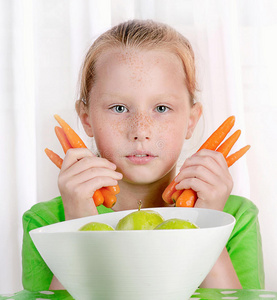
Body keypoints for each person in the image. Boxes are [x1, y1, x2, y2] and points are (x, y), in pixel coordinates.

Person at [22, 19, 264, 291]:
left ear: (191, 121)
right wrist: (80, 224)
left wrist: (207, 226)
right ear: (86, 118)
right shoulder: (45, 223)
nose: (140, 131)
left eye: (161, 108)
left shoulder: (235, 217)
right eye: (119, 108)